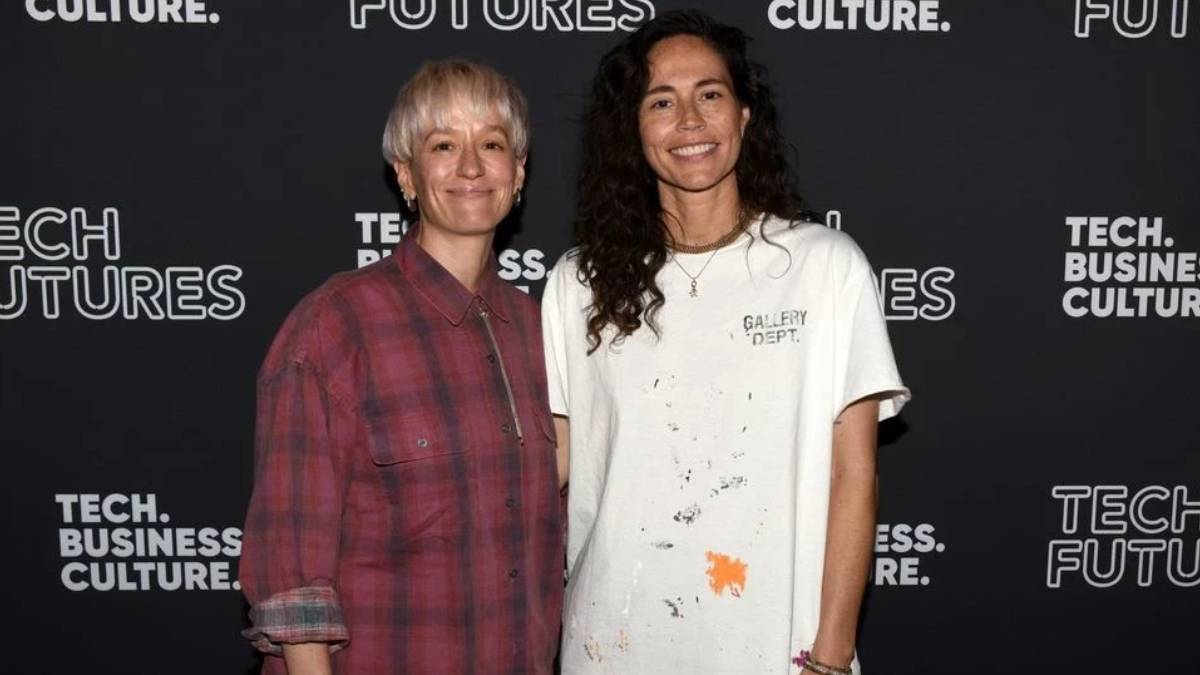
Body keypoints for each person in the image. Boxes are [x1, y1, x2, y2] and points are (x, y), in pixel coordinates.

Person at [542, 10, 910, 674]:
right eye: (661, 101)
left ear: (743, 114)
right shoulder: (579, 283)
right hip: (613, 641)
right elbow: (552, 465)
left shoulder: (825, 267)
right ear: (633, 129)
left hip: (777, 647)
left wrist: (831, 654)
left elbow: (854, 474)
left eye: (709, 94)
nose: (689, 120)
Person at [239, 60, 563, 675]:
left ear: (519, 171)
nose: (471, 167)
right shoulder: (335, 327)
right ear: (406, 174)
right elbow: (291, 577)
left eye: (492, 144)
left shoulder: (541, 333)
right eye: (444, 145)